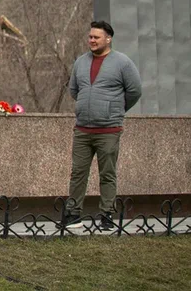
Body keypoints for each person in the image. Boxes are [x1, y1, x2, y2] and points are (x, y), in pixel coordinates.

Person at [64, 20, 142, 228]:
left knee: (107, 173)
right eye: (90, 36)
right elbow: (74, 90)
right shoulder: (80, 62)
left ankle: (107, 215)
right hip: (82, 129)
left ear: (108, 39)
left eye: (96, 37)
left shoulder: (123, 63)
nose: (92, 40)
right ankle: (73, 214)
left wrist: (114, 110)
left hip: (108, 129)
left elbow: (135, 91)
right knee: (77, 173)